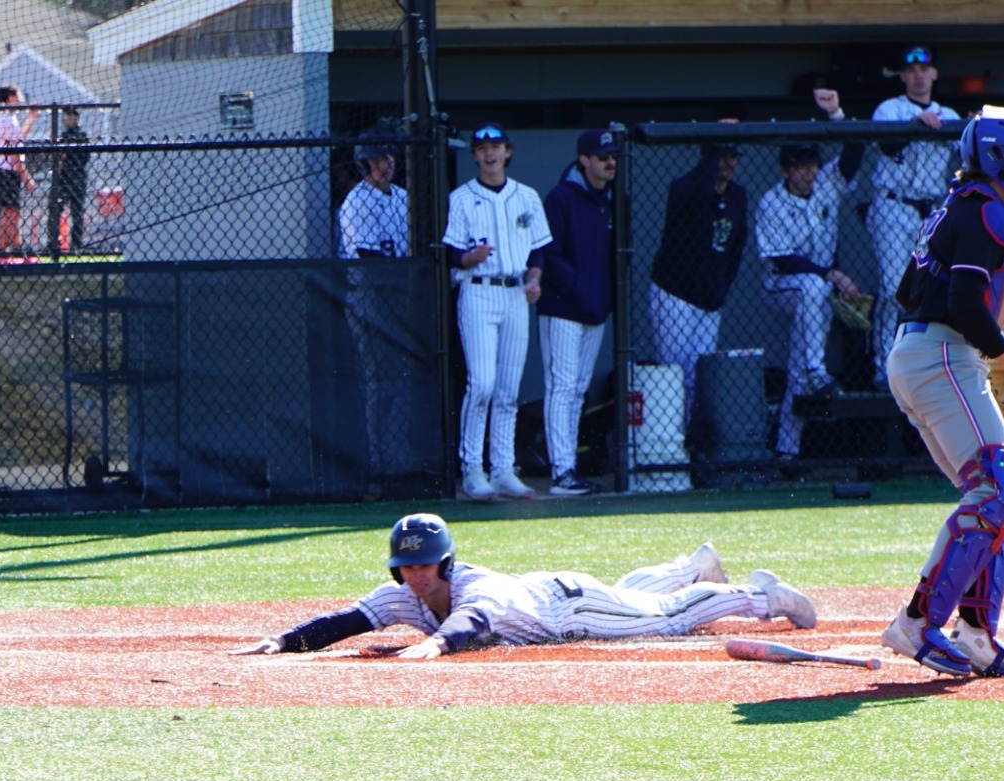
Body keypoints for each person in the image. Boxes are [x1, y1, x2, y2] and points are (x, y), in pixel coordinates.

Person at [878, 106, 1004, 678]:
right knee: (1000, 494)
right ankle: (917, 622)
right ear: (999, 158)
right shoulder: (985, 213)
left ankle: (977, 633)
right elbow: (962, 306)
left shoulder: (960, 206)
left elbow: (913, 292)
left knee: (1002, 500)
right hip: (941, 356)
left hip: (922, 354)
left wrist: (985, 357)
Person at [229, 513, 817, 659]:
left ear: (446, 562)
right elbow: (346, 622)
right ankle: (692, 566)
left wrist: (435, 644)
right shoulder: (403, 594)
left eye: (426, 565)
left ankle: (762, 596)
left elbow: (473, 623)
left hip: (569, 609)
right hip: (550, 594)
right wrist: (283, 641)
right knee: (639, 596)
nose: (416, 574)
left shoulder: (474, 588)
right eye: (407, 567)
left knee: (666, 617)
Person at [758, 87, 867, 464]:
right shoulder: (771, 201)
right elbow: (782, 261)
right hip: (781, 287)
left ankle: (787, 451)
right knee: (810, 286)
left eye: (813, 165)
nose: (810, 172)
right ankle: (817, 370)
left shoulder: (824, 184)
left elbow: (854, 152)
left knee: (798, 364)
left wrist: (837, 115)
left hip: (817, 290)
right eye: (801, 167)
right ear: (786, 170)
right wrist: (831, 274)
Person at [442, 124, 552, 502]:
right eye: (482, 148)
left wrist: (534, 281)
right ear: (474, 155)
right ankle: (473, 469)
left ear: (508, 151)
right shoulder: (461, 198)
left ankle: (503, 469)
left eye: (496, 146)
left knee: (508, 389)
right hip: (479, 290)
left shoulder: (527, 196)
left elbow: (538, 252)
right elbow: (452, 253)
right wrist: (469, 258)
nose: (489, 153)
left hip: (515, 292)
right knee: (483, 384)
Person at [865, 44, 962, 364]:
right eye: (912, 71)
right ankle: (884, 360)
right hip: (894, 206)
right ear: (903, 76)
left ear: (934, 74)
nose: (918, 76)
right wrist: (915, 124)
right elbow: (887, 146)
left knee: (932, 288)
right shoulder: (889, 109)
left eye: (924, 70)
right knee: (894, 286)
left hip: (932, 211)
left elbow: (969, 157)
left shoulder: (949, 115)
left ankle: (921, 360)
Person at [538, 129, 619, 497]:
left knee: (578, 389)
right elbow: (548, 253)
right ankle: (562, 471)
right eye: (603, 157)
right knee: (562, 387)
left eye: (613, 156)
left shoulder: (612, 198)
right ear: (584, 160)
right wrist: (577, 287)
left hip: (593, 310)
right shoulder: (560, 197)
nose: (610, 162)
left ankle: (568, 465)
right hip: (563, 309)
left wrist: (599, 297)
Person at [648, 134, 748, 400]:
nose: (728, 163)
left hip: (709, 299)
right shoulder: (684, 187)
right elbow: (698, 194)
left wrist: (721, 287)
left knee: (700, 376)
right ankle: (674, 427)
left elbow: (736, 246)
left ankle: (693, 426)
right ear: (706, 158)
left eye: (732, 157)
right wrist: (712, 154)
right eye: (721, 157)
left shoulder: (738, 196)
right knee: (673, 375)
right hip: (675, 294)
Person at [337, 138, 412, 487]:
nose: (385, 165)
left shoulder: (403, 197)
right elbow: (370, 259)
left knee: (405, 379)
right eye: (377, 160)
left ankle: (400, 457)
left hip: (402, 298)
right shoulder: (356, 201)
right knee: (376, 380)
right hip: (369, 296)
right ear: (364, 164)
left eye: (388, 158)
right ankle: (376, 461)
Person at [0, 85, 41, 261]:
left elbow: (19, 139)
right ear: (10, 97)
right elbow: (14, 153)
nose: (20, 99)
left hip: (5, 171)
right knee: (10, 212)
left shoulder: (9, 118)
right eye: (18, 95)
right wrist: (26, 177)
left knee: (11, 211)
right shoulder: (7, 120)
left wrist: (31, 118)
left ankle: (8, 249)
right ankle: (10, 248)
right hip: (7, 172)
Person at [48, 108, 91, 257]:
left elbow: (61, 158)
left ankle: (53, 244)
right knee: (77, 213)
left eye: (66, 116)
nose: (64, 120)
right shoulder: (83, 137)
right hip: (79, 177)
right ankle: (76, 245)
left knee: (56, 210)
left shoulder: (66, 137)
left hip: (65, 178)